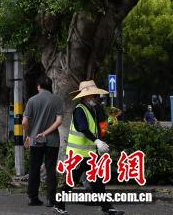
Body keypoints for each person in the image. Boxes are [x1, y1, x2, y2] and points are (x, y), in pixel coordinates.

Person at [53, 80, 124, 215]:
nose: (96, 98)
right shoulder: (79, 110)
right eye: (94, 95)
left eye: (97, 95)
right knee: (71, 182)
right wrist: (97, 141)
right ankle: (58, 205)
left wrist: (100, 138)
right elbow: (83, 128)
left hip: (90, 154)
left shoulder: (92, 109)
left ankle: (107, 208)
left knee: (98, 182)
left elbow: (97, 128)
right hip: (78, 155)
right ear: (86, 96)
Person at [22, 75, 63, 207]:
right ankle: (51, 199)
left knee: (34, 168)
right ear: (50, 86)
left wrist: (28, 135)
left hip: (35, 140)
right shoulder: (57, 100)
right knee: (51, 168)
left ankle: (33, 197)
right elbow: (59, 121)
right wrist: (46, 132)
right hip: (53, 140)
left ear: (38, 86)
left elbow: (24, 122)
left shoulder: (32, 100)